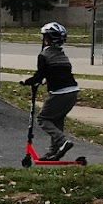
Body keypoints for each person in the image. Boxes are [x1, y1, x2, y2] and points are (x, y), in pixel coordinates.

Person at [21, 22, 80, 161]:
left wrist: (26, 81)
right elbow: (59, 72)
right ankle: (53, 153)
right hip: (73, 92)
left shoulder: (44, 55)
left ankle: (63, 141)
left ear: (47, 39)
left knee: (43, 119)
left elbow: (39, 76)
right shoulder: (62, 55)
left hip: (59, 93)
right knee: (57, 119)